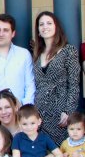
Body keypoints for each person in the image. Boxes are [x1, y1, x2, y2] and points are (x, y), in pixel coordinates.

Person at [31, 11, 81, 141]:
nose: (45, 27)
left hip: (60, 111)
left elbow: (74, 84)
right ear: (38, 30)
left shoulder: (68, 51)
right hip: (39, 112)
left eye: (49, 23)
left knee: (60, 148)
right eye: (41, 24)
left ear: (56, 27)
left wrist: (68, 111)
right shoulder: (36, 54)